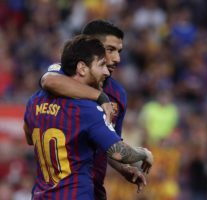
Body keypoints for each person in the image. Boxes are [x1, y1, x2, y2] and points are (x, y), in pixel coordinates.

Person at [23, 35, 153, 199]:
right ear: (82, 68)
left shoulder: (34, 101)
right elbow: (119, 152)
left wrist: (122, 169)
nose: (106, 71)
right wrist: (144, 153)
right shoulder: (88, 109)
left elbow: (29, 138)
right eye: (101, 65)